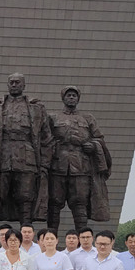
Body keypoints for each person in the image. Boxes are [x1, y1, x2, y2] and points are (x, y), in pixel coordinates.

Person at [0, 73, 53, 228]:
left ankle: (26, 231)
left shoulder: (37, 107)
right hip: (2, 156)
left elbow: (46, 138)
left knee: (26, 196)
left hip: (27, 157)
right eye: (11, 82)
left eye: (17, 82)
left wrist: (44, 165)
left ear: (23, 85)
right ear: (7, 85)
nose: (14, 85)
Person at [47, 85, 112, 231]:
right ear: (63, 98)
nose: (71, 97)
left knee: (80, 204)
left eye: (74, 95)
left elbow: (100, 139)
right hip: (57, 167)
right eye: (68, 95)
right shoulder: (52, 118)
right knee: (54, 203)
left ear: (78, 99)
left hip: (81, 168)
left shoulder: (88, 118)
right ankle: (51, 237)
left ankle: (82, 238)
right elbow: (45, 140)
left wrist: (93, 146)